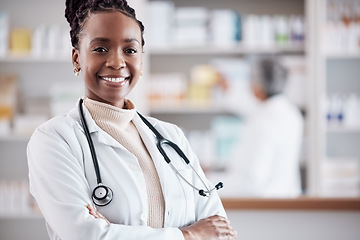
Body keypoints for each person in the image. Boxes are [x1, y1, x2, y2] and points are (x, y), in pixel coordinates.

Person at [27, 0, 237, 239]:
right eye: (100, 49)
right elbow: (83, 235)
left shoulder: (170, 136)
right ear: (76, 58)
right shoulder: (54, 140)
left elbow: (220, 231)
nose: (117, 62)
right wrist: (190, 235)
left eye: (130, 50)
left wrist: (116, 232)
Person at [220, 57, 304, 198]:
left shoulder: (263, 121)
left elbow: (252, 181)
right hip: (288, 196)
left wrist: (208, 185)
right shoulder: (291, 113)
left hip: (265, 201)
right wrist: (229, 91)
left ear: (258, 86)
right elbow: (249, 107)